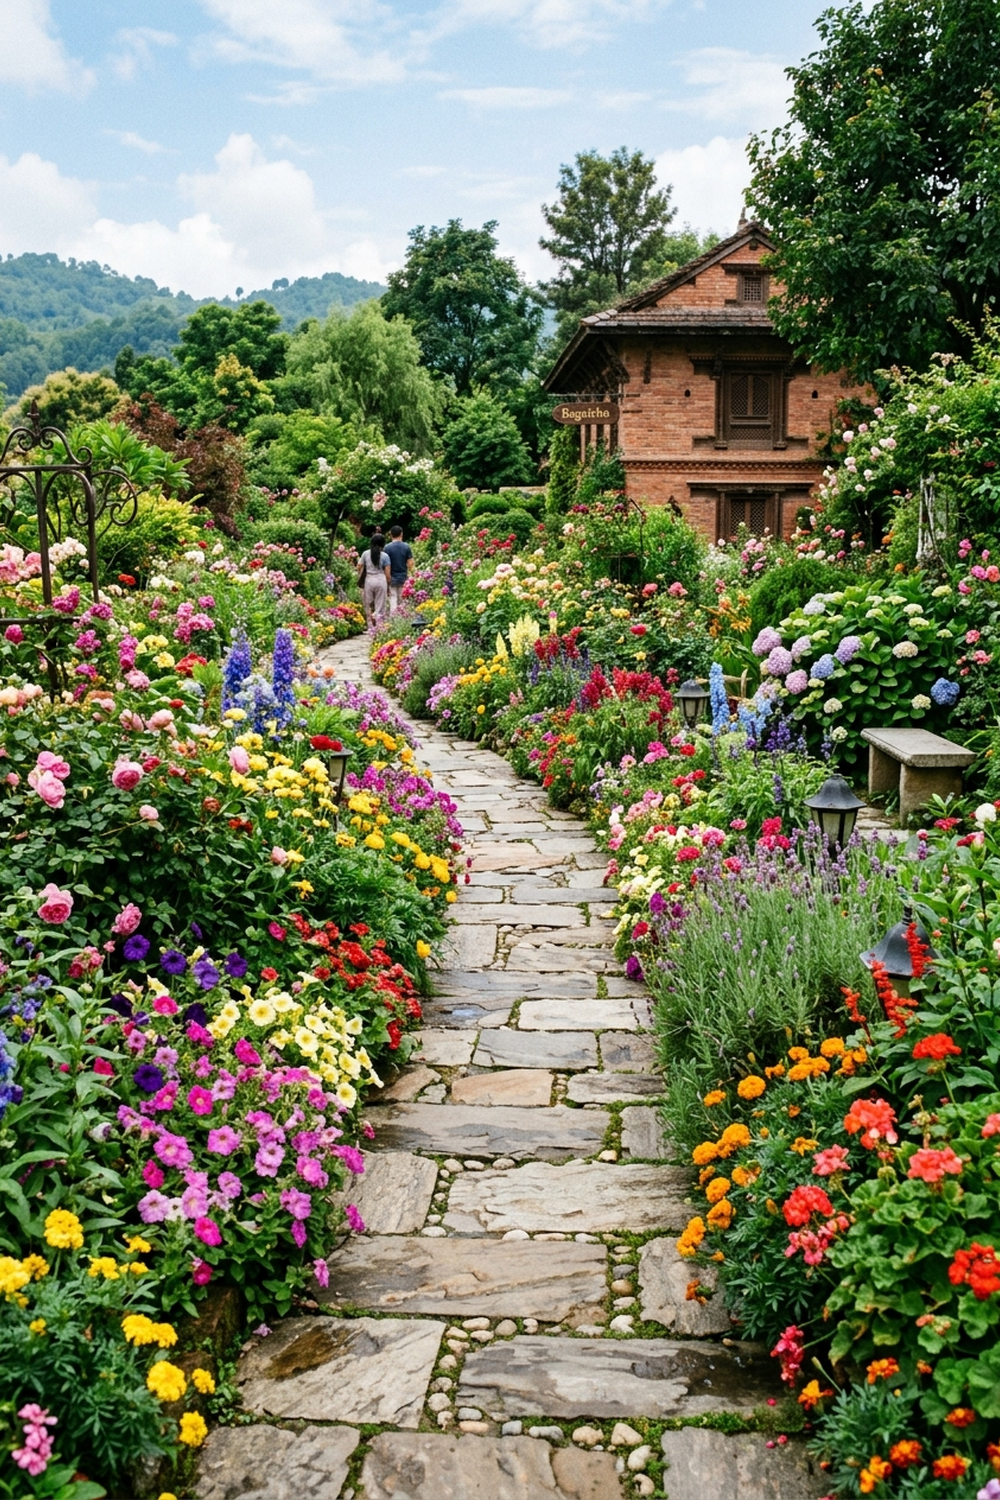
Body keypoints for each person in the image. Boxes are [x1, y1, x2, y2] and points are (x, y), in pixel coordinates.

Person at [358, 532, 390, 628]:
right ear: (382, 544)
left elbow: (359, 566)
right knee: (380, 604)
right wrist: (388, 584)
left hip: (369, 580)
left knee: (368, 603)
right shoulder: (385, 556)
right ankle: (378, 622)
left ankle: (370, 625)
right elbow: (388, 574)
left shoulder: (365, 554)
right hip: (381, 579)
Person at [384, 525, 413, 615]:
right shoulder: (406, 547)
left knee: (393, 598)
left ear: (391, 535)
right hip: (403, 576)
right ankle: (403, 616)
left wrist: (387, 578)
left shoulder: (387, 548)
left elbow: (385, 565)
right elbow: (410, 563)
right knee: (402, 599)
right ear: (401, 534)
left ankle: (393, 618)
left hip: (391, 577)